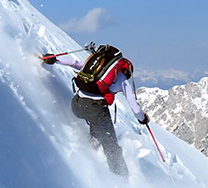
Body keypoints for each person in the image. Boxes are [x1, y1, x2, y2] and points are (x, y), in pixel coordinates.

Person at [41, 45, 149, 177]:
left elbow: (74, 63)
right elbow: (135, 107)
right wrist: (143, 119)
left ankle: (92, 150)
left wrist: (53, 59)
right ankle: (121, 178)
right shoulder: (121, 79)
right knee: (112, 146)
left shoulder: (97, 68)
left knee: (96, 128)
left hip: (76, 104)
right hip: (95, 109)